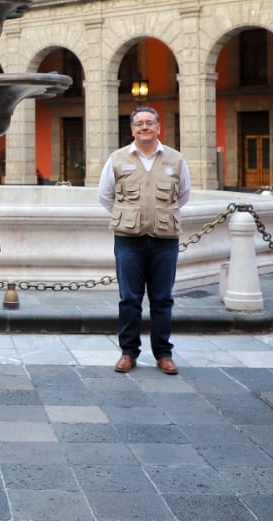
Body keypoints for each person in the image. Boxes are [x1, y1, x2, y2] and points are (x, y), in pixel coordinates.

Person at [97, 105, 191, 375]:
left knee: (162, 298)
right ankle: (128, 352)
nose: (145, 127)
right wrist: (129, 215)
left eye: (150, 123)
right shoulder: (116, 159)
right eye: (139, 123)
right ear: (132, 129)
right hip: (129, 240)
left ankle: (164, 354)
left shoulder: (175, 159)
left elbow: (183, 195)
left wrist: (159, 214)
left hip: (164, 240)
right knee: (129, 298)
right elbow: (105, 197)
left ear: (158, 127)